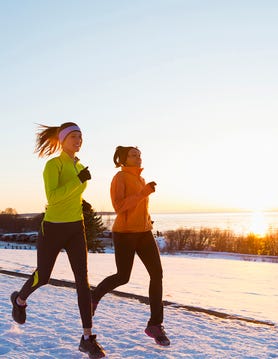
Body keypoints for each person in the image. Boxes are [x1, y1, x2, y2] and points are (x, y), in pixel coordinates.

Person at [10, 122, 106, 359]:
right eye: (74, 136)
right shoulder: (53, 165)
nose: (78, 140)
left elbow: (71, 195)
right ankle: (20, 300)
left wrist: (82, 202)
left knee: (82, 282)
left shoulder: (79, 165)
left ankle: (87, 338)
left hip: (76, 228)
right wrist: (78, 181)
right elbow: (53, 198)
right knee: (44, 276)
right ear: (62, 140)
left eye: (81, 136)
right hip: (52, 228)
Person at [91, 146, 170, 346]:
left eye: (140, 154)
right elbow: (119, 206)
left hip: (144, 233)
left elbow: (139, 207)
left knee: (157, 275)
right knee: (123, 277)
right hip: (125, 234)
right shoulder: (120, 178)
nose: (139, 157)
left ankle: (155, 324)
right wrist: (143, 193)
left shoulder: (141, 179)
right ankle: (95, 295)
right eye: (134, 155)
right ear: (123, 159)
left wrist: (147, 220)